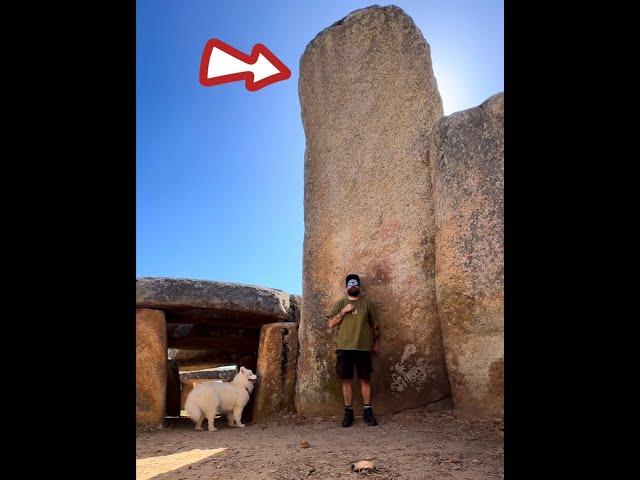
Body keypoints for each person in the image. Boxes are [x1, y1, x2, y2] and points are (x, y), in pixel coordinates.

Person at [326, 273, 380, 427]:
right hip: (344, 348)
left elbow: (375, 326)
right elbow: (330, 324)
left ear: (359, 286)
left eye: (356, 283)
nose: (353, 285)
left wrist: (376, 344)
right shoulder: (340, 303)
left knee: (365, 379)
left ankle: (368, 412)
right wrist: (344, 311)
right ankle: (348, 413)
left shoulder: (367, 303)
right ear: (346, 287)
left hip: (363, 348)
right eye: (350, 283)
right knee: (346, 380)